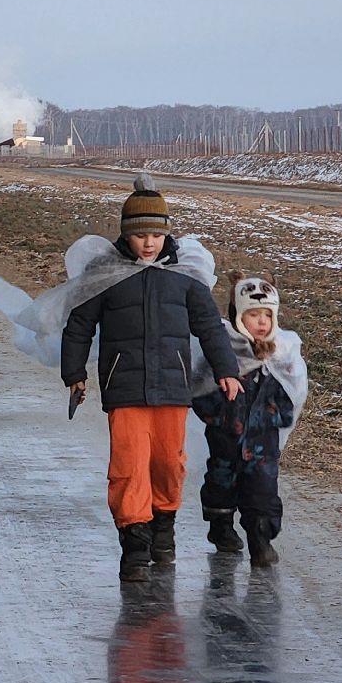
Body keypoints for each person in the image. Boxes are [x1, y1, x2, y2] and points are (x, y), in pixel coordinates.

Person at [58, 175, 243, 582]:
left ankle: (163, 530)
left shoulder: (184, 277)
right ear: (127, 235)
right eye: (140, 234)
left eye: (156, 235)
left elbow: (210, 327)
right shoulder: (106, 275)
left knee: (168, 464)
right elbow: (79, 325)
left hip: (172, 388)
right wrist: (75, 375)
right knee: (128, 466)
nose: (148, 243)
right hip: (124, 387)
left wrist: (227, 370)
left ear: (166, 235)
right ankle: (134, 543)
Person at [190, 276, 309, 566]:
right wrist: (218, 414)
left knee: (263, 487)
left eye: (267, 315)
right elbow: (200, 387)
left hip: (262, 440)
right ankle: (221, 526)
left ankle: (261, 538)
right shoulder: (222, 350)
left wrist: (276, 415)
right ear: (238, 316)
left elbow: (291, 390)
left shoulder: (281, 352)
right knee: (221, 482)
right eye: (253, 315)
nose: (262, 322)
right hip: (225, 436)